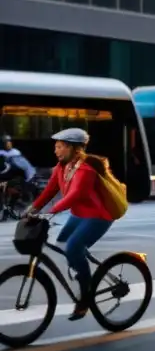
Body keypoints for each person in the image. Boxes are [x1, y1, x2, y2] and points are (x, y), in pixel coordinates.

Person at [25, 129, 115, 321]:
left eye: (59, 147)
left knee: (74, 247)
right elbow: (50, 190)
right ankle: (81, 264)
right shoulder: (61, 167)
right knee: (63, 242)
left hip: (99, 215)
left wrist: (51, 211)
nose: (55, 151)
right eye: (55, 147)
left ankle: (85, 297)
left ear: (73, 148)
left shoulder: (85, 169)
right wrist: (32, 208)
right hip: (80, 215)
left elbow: (77, 195)